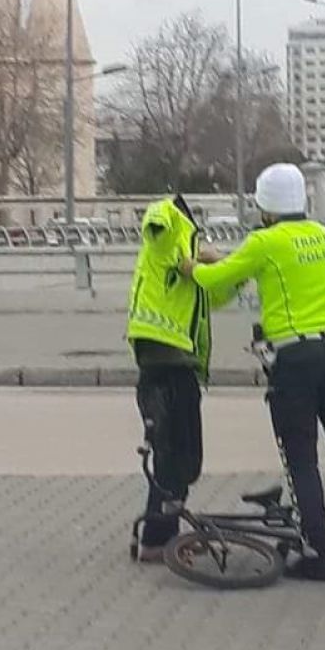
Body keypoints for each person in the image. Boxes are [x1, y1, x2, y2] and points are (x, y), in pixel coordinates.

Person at [180, 164, 325, 581]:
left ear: (265, 206)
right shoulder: (323, 236)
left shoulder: (265, 241)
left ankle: (321, 557)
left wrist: (191, 265)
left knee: (302, 460)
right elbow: (273, 272)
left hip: (296, 360)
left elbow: (217, 278)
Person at [127, 195, 236, 561]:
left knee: (183, 459)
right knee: (171, 458)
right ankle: (158, 541)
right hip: (162, 363)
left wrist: (224, 269)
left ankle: (163, 533)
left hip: (182, 367)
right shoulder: (163, 241)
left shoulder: (188, 264)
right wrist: (175, 222)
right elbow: (156, 221)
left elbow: (216, 296)